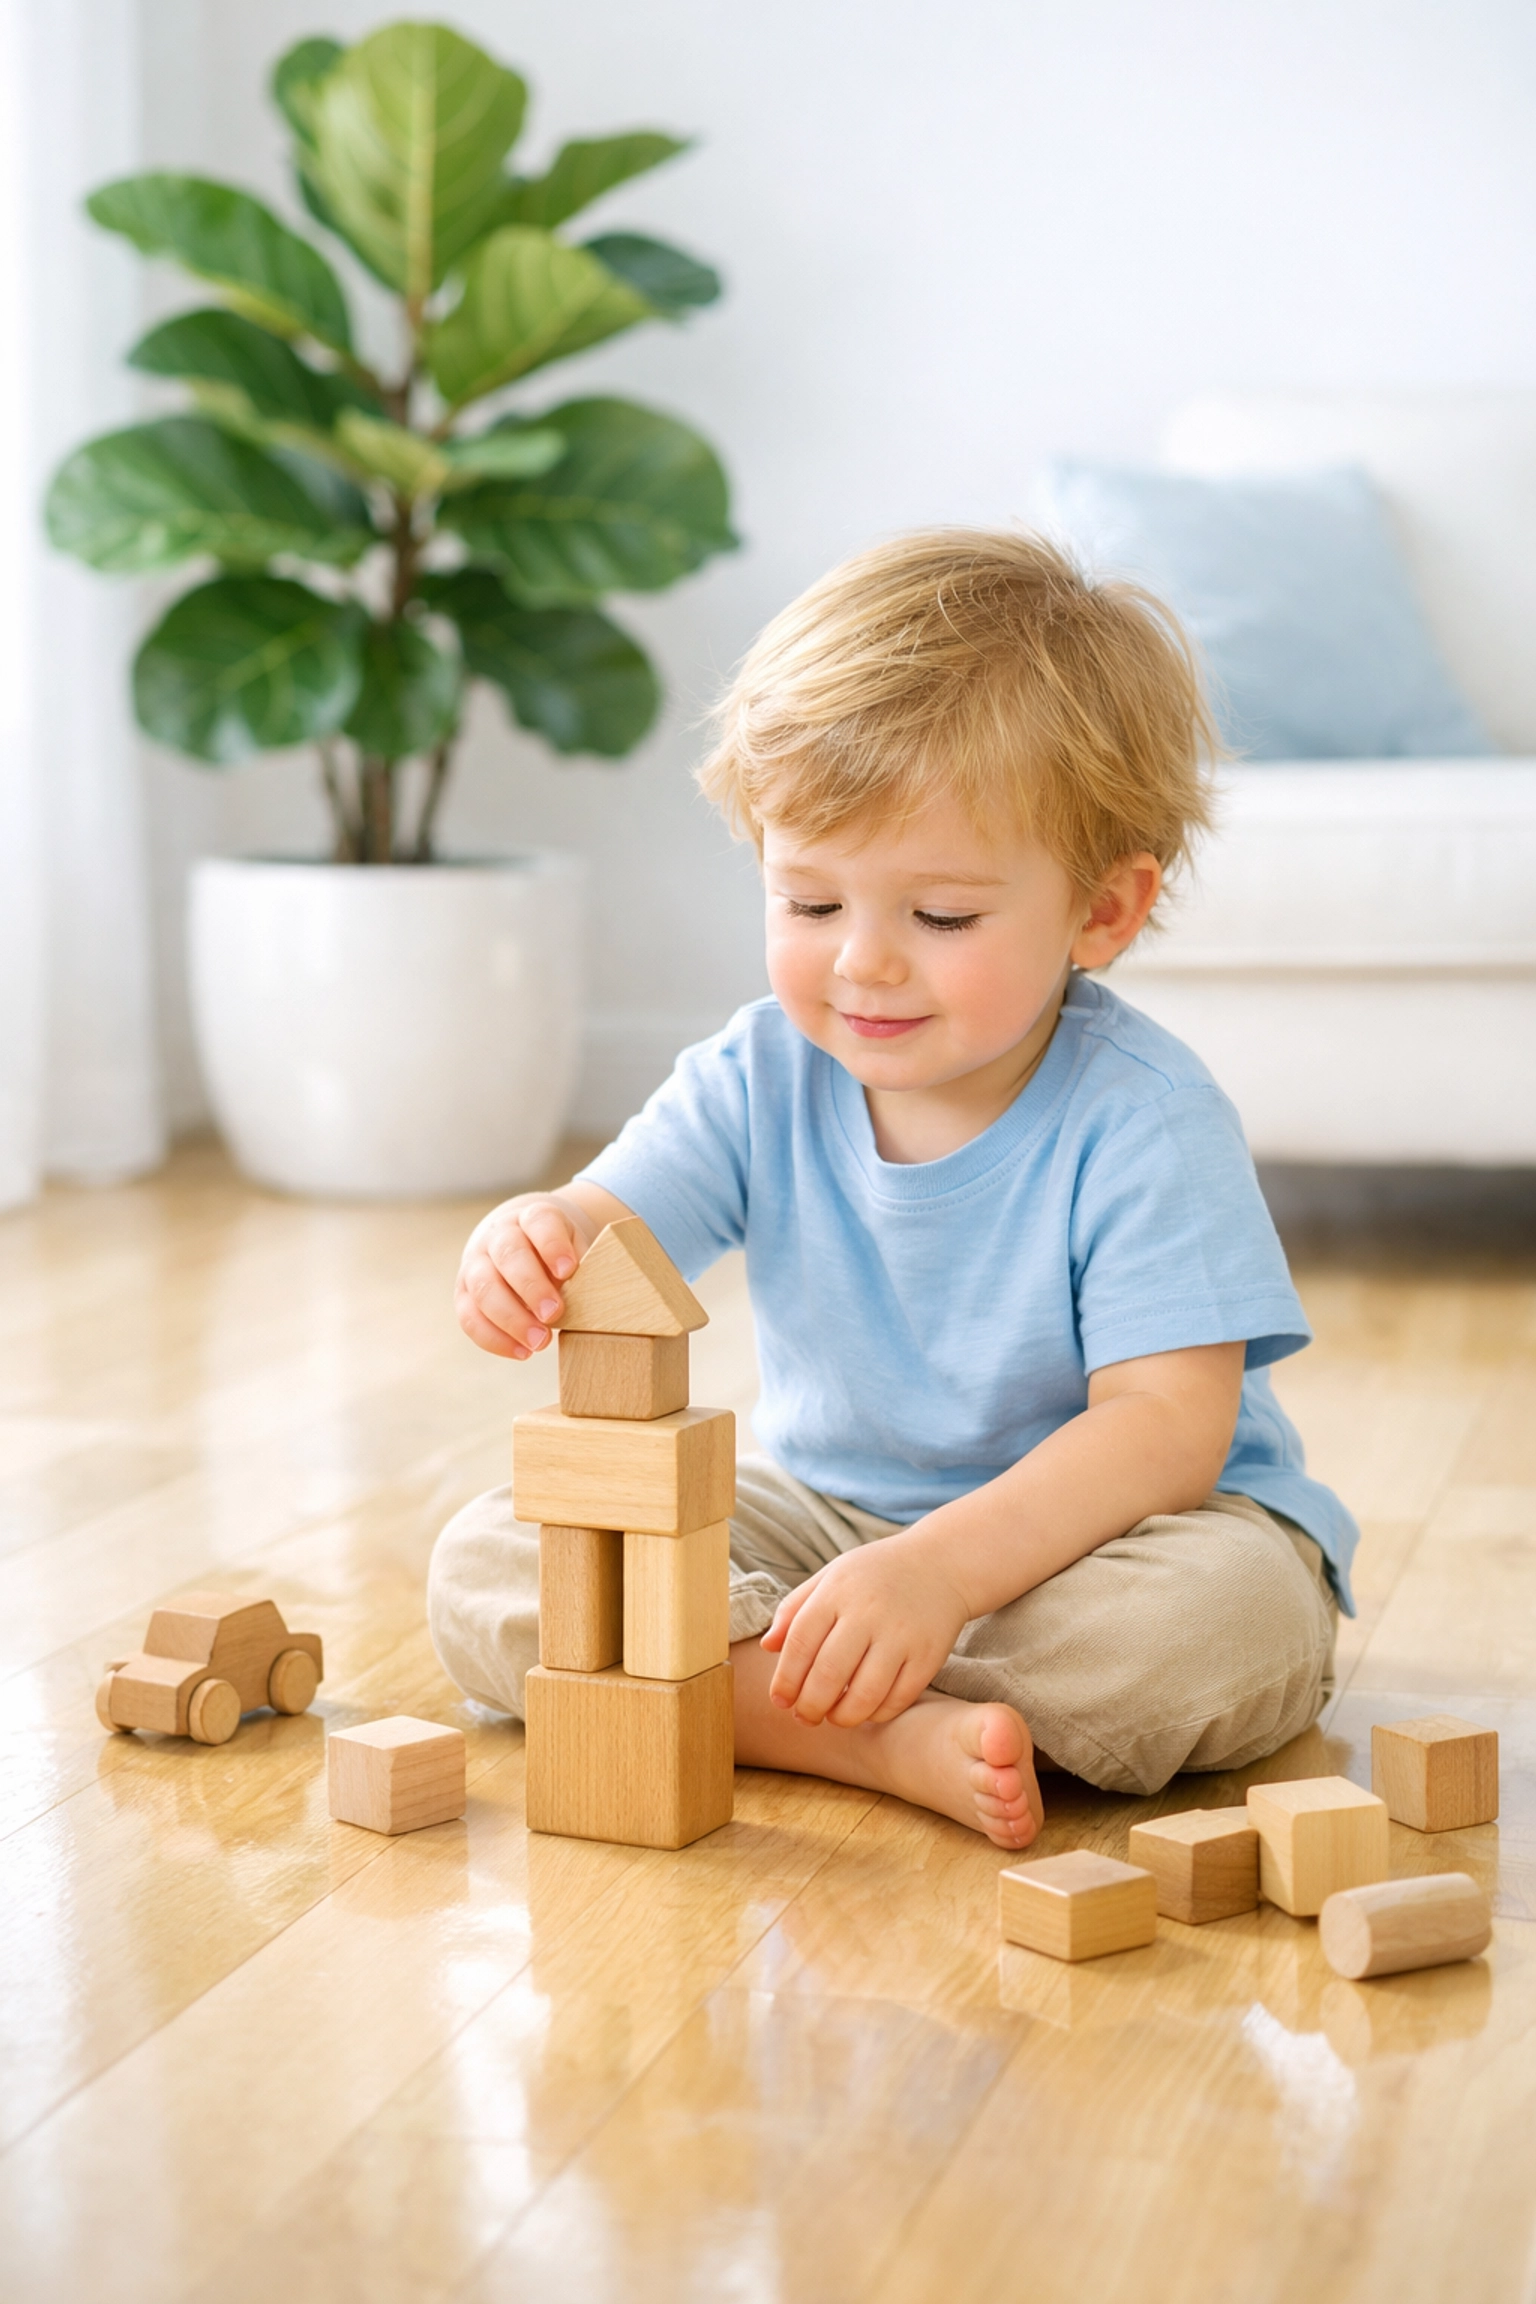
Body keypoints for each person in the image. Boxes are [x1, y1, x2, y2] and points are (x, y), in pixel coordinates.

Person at [428, 529, 1356, 1852]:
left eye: (940, 920)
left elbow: (1168, 1432)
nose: (863, 965)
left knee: (1207, 1631)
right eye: (808, 903)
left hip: (1109, 1540)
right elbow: (606, 1230)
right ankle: (878, 1735)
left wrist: (935, 1577)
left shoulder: (1145, 1119)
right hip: (821, 1521)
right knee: (497, 1555)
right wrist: (533, 1240)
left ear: (1102, 913)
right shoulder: (760, 1073)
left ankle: (763, 1694)